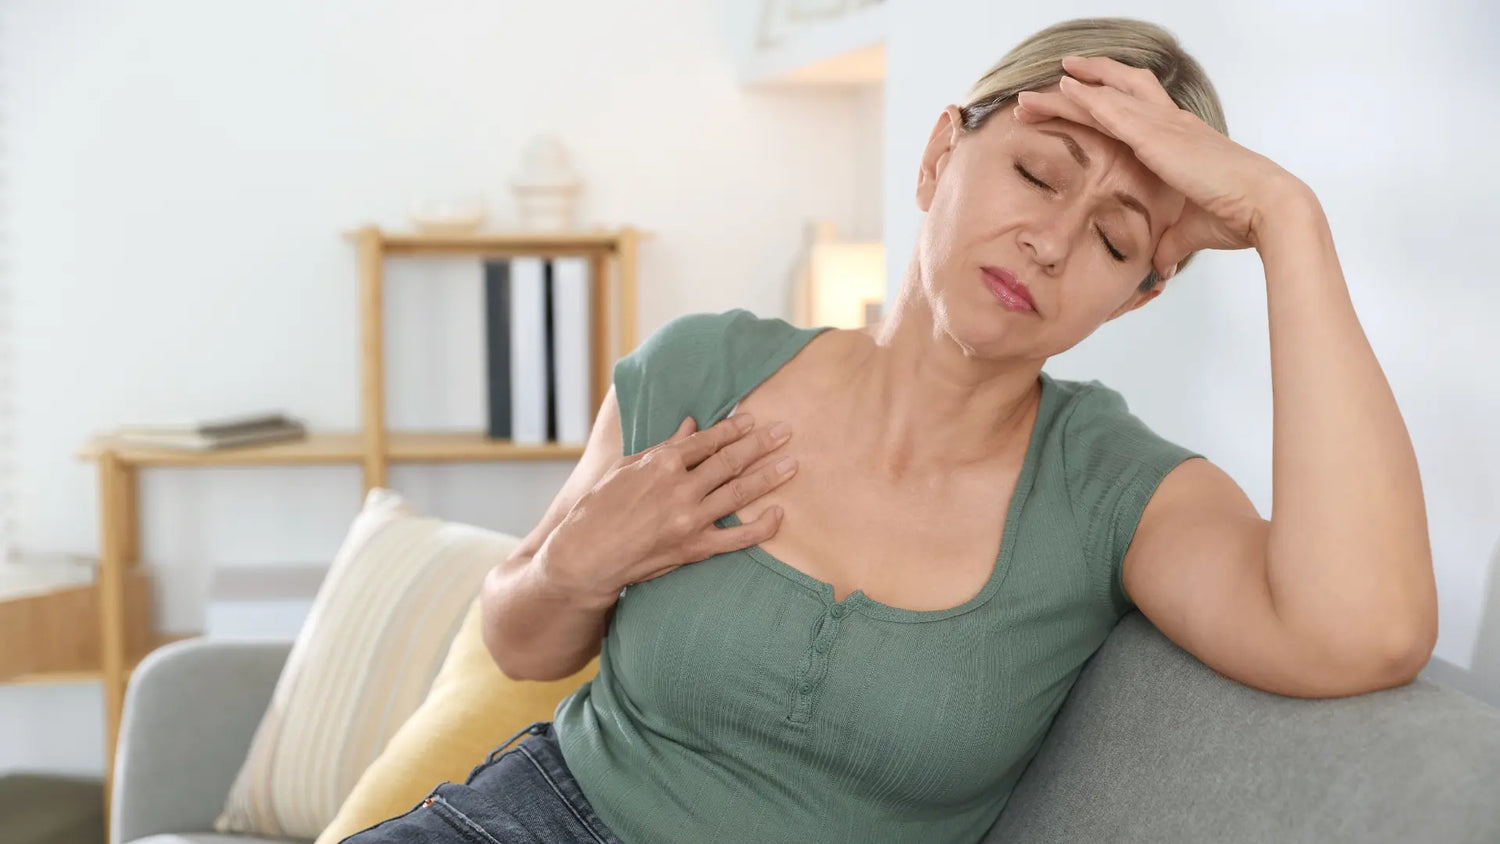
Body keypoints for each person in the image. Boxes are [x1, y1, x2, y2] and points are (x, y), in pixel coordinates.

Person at [345, 14, 1437, 844]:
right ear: (936, 160)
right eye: (1033, 173)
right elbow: (521, 641)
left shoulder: (1117, 491)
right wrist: (573, 568)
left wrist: (1286, 219)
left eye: (1112, 238)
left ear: (1136, 298)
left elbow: (1365, 630)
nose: (1051, 243)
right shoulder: (706, 365)